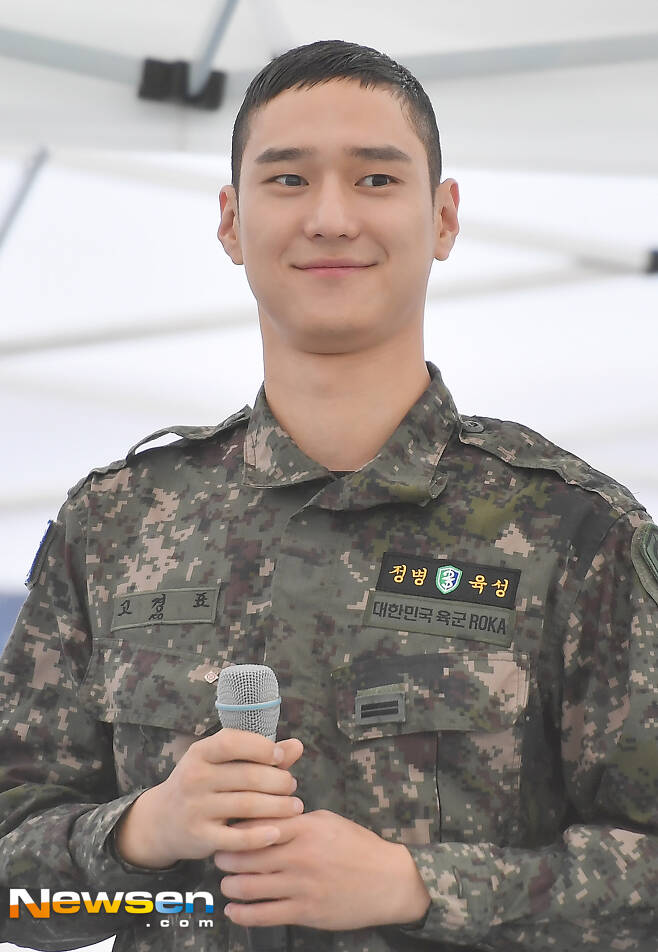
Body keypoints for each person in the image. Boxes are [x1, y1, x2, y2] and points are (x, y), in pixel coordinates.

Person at [1, 37, 656, 952]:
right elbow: (18, 900)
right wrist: (142, 835)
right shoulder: (113, 526)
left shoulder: (574, 532)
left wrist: (418, 887)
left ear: (444, 219)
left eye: (377, 179)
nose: (332, 218)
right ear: (232, 221)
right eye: (288, 180)